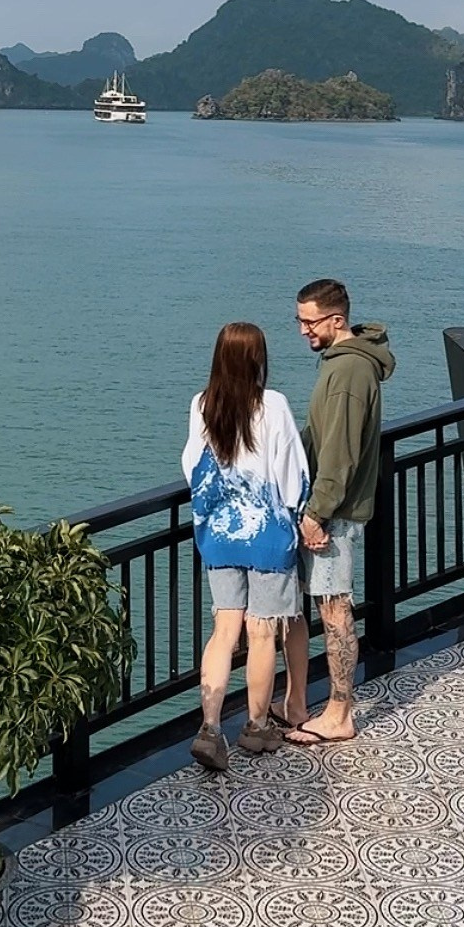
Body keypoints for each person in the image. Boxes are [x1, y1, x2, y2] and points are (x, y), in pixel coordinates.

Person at [182, 321, 310, 772]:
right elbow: (292, 472)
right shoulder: (272, 405)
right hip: (268, 534)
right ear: (258, 359)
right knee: (261, 632)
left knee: (224, 630)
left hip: (219, 534)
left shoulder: (202, 404)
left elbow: (192, 466)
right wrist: (300, 515)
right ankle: (256, 726)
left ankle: (209, 727)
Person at [278, 278, 393, 745]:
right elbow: (321, 436)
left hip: (336, 513)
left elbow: (340, 452)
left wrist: (317, 513)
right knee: (328, 605)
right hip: (334, 507)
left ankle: (340, 713)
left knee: (334, 608)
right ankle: (310, 704)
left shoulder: (347, 373)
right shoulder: (342, 363)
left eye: (310, 322)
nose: (303, 330)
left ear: (336, 319)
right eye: (299, 321)